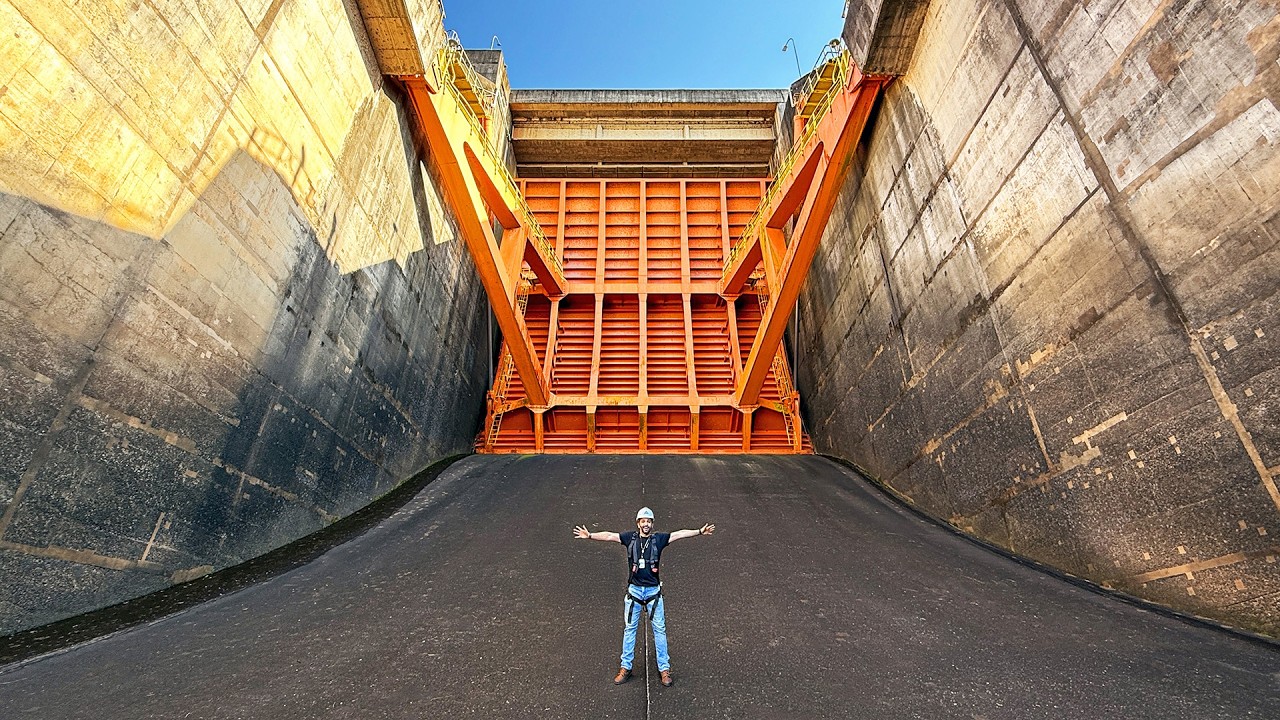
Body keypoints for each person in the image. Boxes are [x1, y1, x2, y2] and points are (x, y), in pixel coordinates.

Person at [573, 507, 715, 687]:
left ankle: (664, 669)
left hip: (653, 592)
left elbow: (678, 534)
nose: (646, 524)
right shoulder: (629, 538)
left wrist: (699, 532)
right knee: (630, 630)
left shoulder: (659, 539)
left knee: (660, 631)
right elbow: (610, 536)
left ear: (652, 523)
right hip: (634, 591)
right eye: (643, 521)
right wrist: (590, 535)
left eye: (649, 521)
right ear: (638, 523)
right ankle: (626, 667)